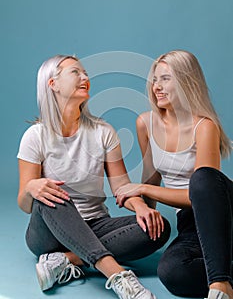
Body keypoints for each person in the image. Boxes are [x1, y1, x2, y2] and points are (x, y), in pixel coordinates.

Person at [17, 55, 171, 299]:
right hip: (48, 234)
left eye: (86, 73)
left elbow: (121, 187)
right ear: (52, 84)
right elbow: (25, 205)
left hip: (95, 224)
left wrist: (141, 207)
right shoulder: (35, 136)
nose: (85, 78)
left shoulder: (103, 132)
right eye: (75, 72)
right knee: (53, 193)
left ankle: (66, 260)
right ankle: (118, 276)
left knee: (157, 227)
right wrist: (31, 188)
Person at [116, 50, 233, 299]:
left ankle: (221, 285)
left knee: (202, 178)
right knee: (171, 272)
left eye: (165, 79)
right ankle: (223, 272)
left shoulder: (204, 127)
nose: (157, 86)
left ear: (186, 81)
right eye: (155, 79)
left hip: (223, 213)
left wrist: (143, 189)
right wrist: (140, 208)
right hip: (190, 224)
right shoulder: (145, 123)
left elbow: (200, 196)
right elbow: (150, 182)